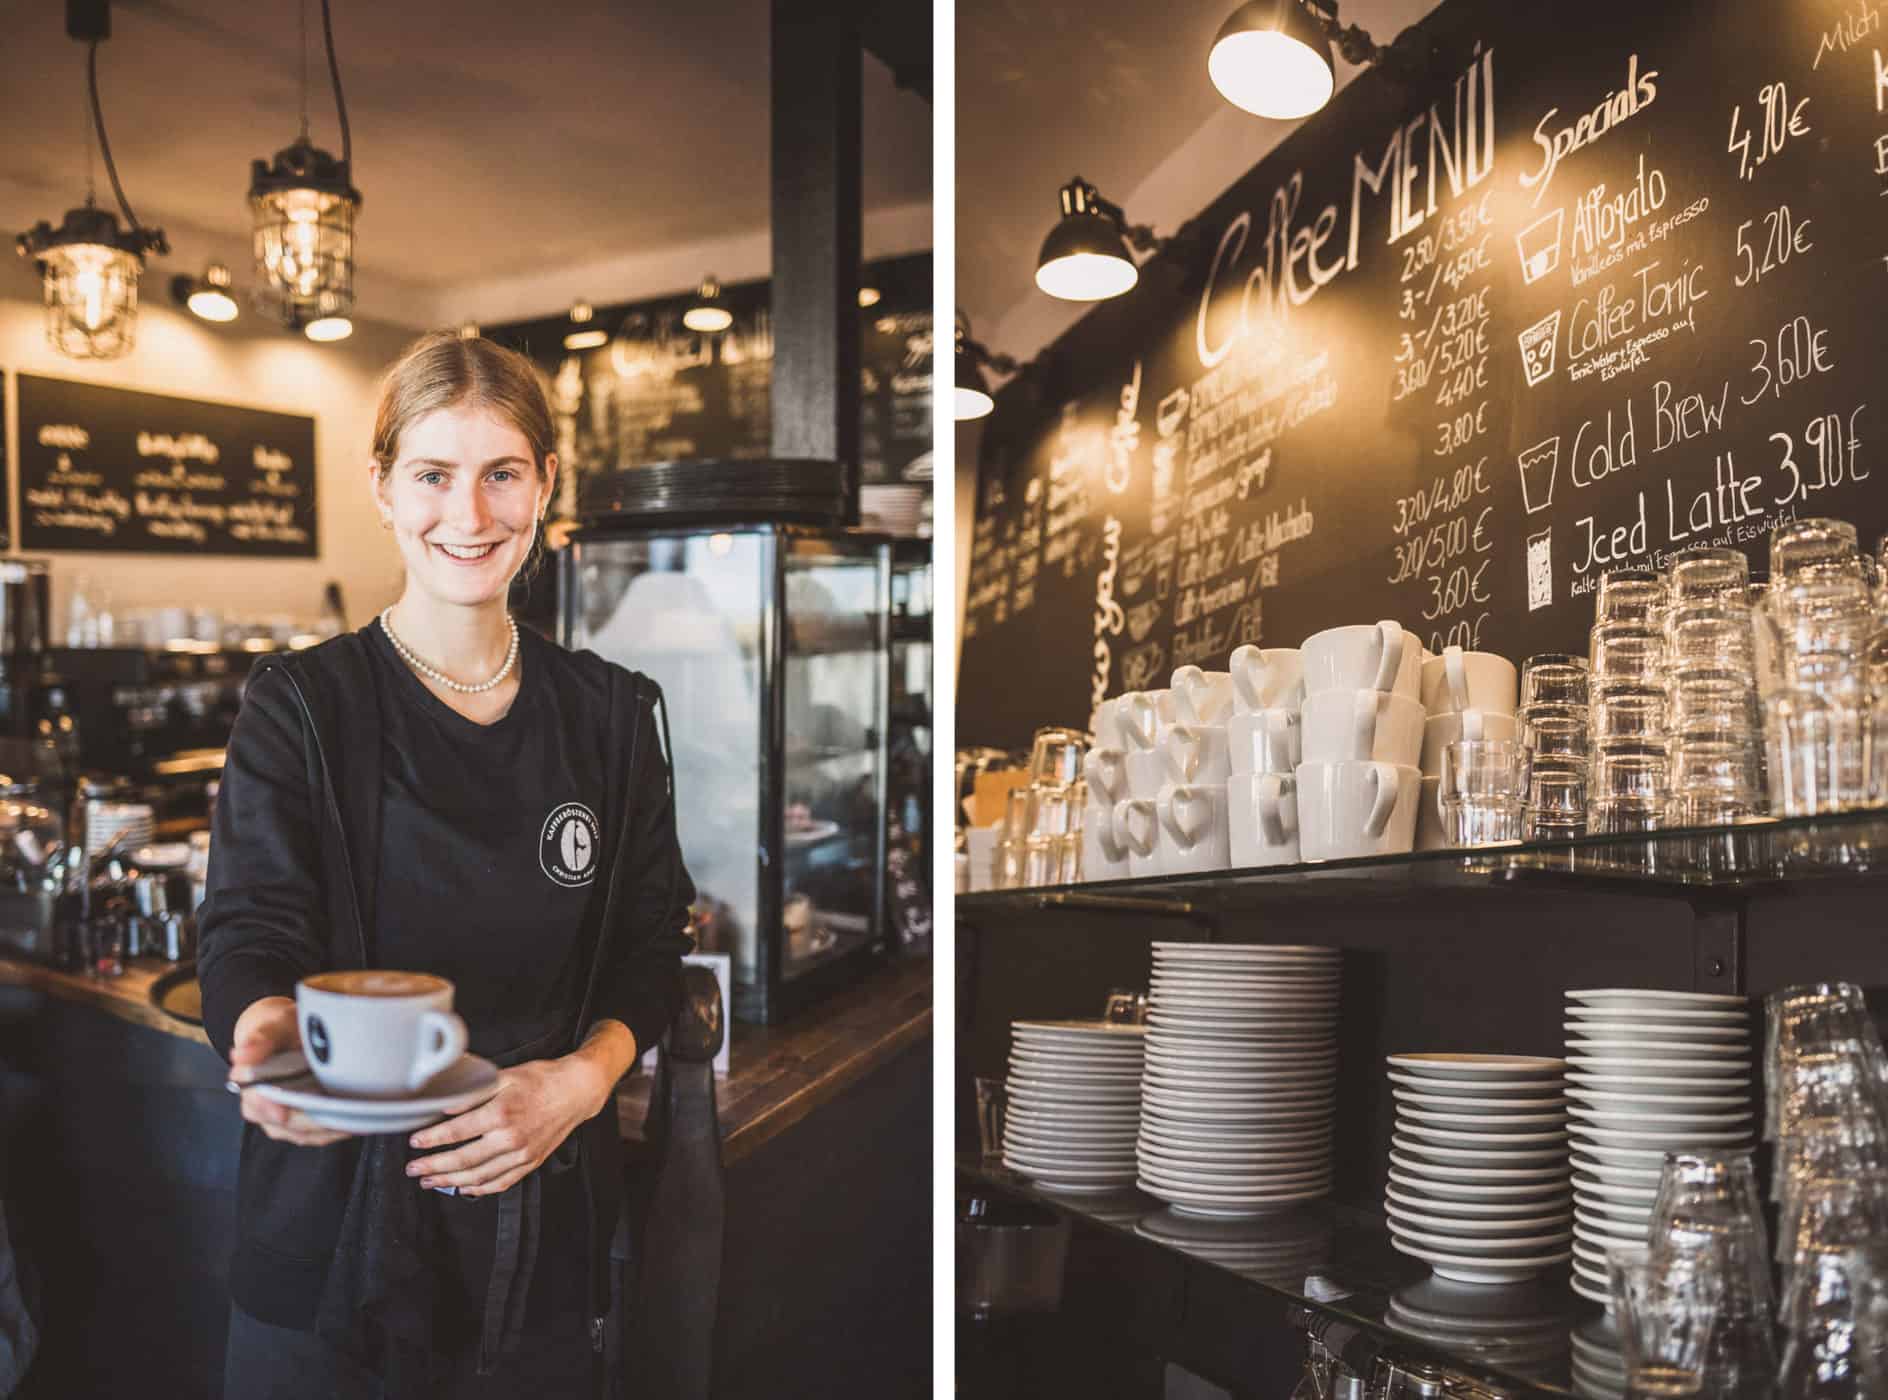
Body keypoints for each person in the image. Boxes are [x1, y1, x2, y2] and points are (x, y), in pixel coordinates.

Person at [197, 329, 695, 1397]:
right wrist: (269, 1037)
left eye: (501, 473)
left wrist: (579, 1080)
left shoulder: (611, 713)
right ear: (381, 485)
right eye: (432, 474)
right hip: (332, 1232)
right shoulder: (302, 703)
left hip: (544, 1229)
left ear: (545, 483)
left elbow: (653, 945)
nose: (468, 516)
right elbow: (250, 930)